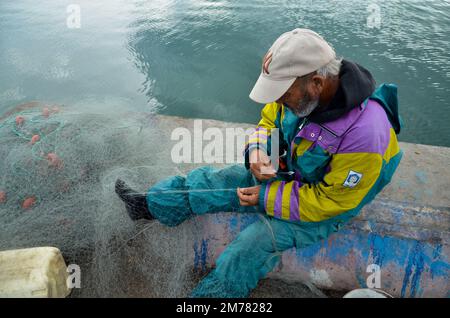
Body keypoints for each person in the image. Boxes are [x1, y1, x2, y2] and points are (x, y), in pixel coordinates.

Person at [115, 28, 402, 297]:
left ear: (316, 83)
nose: (277, 100)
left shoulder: (367, 135)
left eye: (283, 94)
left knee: (249, 247)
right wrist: (258, 151)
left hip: (324, 207)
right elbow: (268, 122)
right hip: (291, 175)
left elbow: (333, 201)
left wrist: (266, 196)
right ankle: (148, 205)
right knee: (214, 182)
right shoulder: (299, 92)